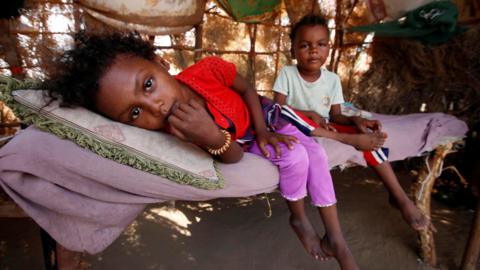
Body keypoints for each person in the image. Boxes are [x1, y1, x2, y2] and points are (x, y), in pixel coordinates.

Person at [46, 32, 359, 269]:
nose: (153, 106)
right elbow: (233, 156)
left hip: (262, 116)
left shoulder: (207, 70)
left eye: (149, 85)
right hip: (244, 140)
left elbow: (247, 89)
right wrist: (210, 137)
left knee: (315, 151)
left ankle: (336, 238)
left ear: (160, 63)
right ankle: (299, 219)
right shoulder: (173, 134)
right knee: (296, 156)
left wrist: (263, 129)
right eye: (135, 114)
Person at [273, 14, 429, 231]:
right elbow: (277, 110)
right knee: (302, 122)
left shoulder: (332, 80)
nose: (313, 50)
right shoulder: (287, 74)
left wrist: (356, 119)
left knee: (368, 139)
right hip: (297, 127)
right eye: (305, 45)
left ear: (329, 47)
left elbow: (336, 116)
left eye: (320, 44)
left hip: (326, 125)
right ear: (293, 50)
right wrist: (305, 113)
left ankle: (398, 196)